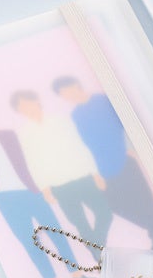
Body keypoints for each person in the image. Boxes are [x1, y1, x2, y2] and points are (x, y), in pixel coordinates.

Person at [0, 104, 97, 278]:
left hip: (30, 191)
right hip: (6, 199)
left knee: (56, 233)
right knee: (29, 241)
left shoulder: (9, 136)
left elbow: (29, 159)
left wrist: (41, 184)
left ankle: (77, 276)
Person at [52, 76, 153, 251]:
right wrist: (95, 172)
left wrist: (132, 147)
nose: (68, 96)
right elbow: (85, 145)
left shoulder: (103, 100)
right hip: (103, 167)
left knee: (144, 200)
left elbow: (127, 122)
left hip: (124, 158)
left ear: (76, 85)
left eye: (68, 90)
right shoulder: (76, 115)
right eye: (64, 95)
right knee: (114, 205)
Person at [11, 90, 113, 256]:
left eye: (28, 103)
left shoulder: (61, 121)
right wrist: (45, 189)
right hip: (59, 185)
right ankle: (99, 257)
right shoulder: (25, 134)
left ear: (36, 100)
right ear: (20, 111)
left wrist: (95, 172)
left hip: (82, 176)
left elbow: (80, 145)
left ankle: (99, 249)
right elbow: (33, 163)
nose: (27, 108)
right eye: (22, 107)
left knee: (105, 213)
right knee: (80, 223)